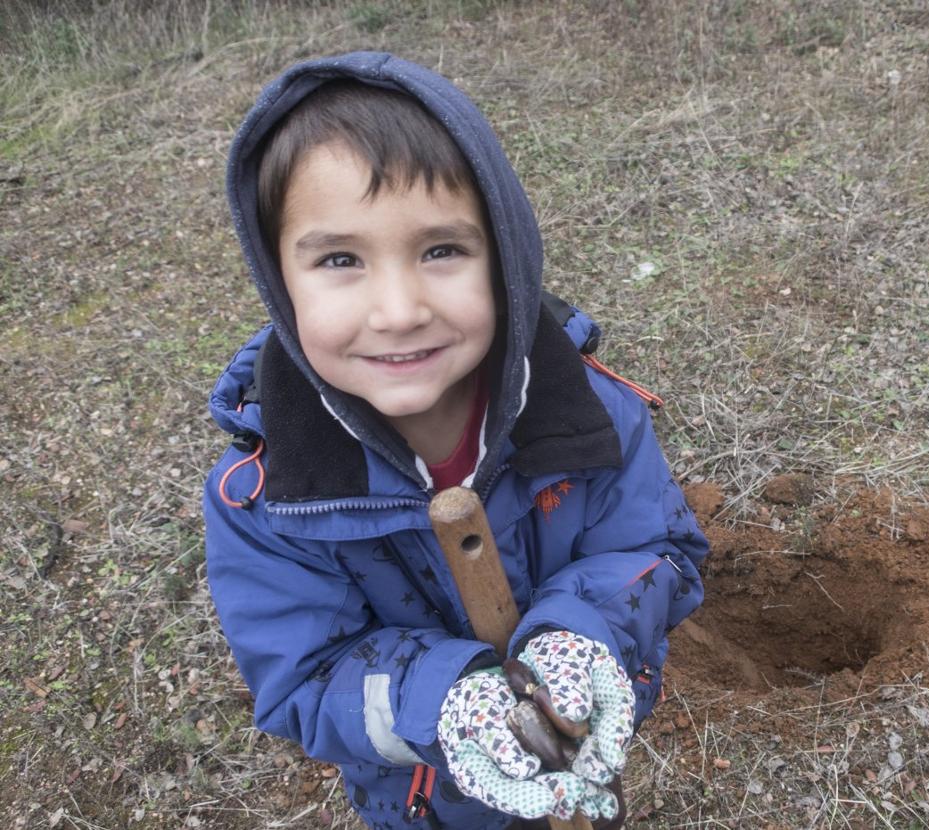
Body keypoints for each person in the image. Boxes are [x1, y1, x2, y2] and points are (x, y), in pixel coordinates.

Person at [203, 52, 707, 830]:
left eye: (442, 250)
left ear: (506, 258)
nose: (399, 310)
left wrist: (586, 636)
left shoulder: (594, 413)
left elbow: (661, 553)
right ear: (279, 281)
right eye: (341, 259)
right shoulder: (267, 499)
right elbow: (303, 681)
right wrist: (446, 700)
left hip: (581, 768)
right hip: (425, 805)